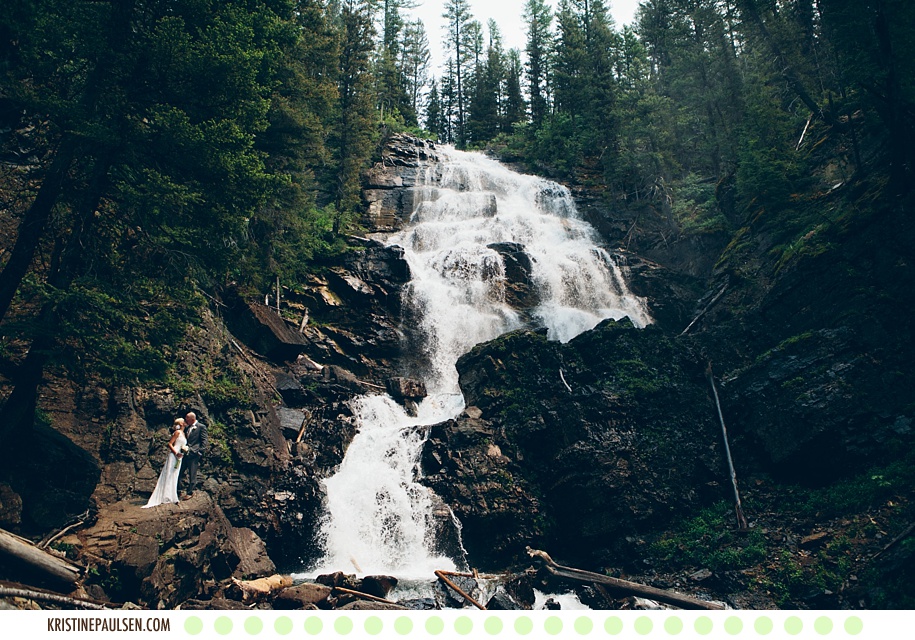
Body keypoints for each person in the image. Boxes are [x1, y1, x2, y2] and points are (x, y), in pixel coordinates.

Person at [142, 419, 187, 508]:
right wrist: (176, 453)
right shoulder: (177, 432)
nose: (185, 422)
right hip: (174, 455)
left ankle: (172, 495)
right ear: (181, 423)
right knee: (170, 474)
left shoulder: (183, 433)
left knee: (175, 475)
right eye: (183, 421)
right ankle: (166, 496)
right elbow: (170, 444)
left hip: (180, 456)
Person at [179, 411, 207, 500]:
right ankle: (178, 490)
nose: (185, 419)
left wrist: (199, 452)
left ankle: (190, 492)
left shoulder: (201, 427)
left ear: (192, 419)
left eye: (187, 418)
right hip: (185, 453)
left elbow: (204, 441)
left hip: (194, 454)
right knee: (180, 472)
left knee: (192, 474)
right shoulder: (187, 428)